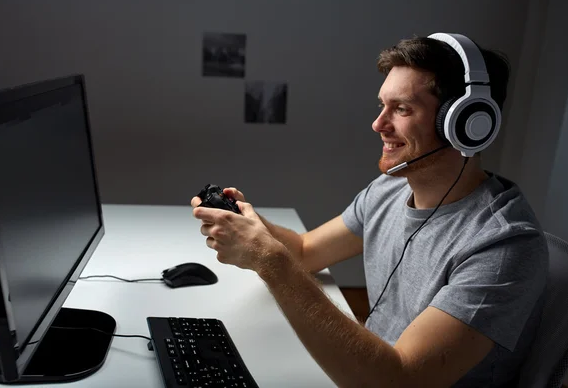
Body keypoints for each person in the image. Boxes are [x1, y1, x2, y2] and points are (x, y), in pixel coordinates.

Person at [190, 33, 548, 387]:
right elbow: (305, 251)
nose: (379, 124)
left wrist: (269, 260)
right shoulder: (390, 187)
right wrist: (244, 220)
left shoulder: (503, 245)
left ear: (468, 124)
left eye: (402, 108)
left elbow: (400, 380)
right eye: (382, 105)